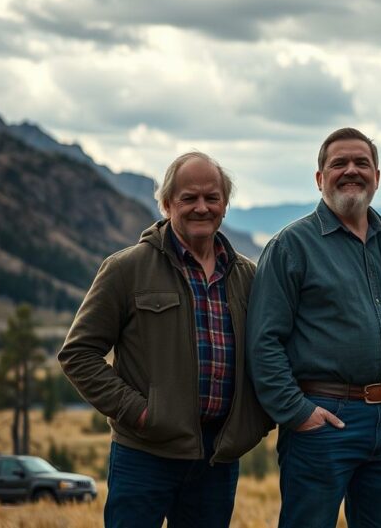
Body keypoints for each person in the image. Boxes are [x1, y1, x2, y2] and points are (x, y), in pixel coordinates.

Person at [58, 152, 273, 528]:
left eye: (212, 197)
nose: (201, 207)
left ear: (225, 204)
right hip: (145, 453)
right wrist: (140, 413)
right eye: (189, 198)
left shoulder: (248, 277)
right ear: (167, 203)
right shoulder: (127, 269)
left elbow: (271, 353)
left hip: (217, 459)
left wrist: (256, 422)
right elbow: (78, 354)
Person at [247, 127, 381, 528]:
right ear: (320, 179)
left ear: (377, 177)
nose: (351, 171)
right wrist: (298, 413)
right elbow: (264, 342)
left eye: (361, 163)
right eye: (339, 163)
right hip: (324, 422)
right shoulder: (291, 246)